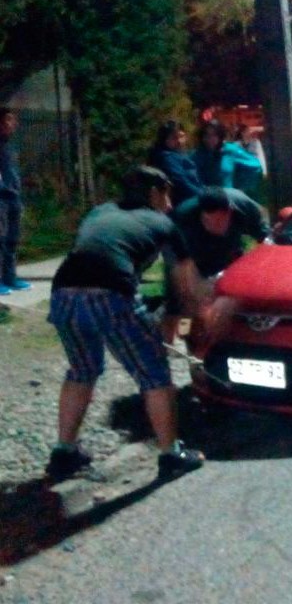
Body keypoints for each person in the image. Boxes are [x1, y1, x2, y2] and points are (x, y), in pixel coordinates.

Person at [45, 166, 212, 483]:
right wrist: (186, 330)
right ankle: (170, 455)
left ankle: (64, 452)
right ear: (154, 193)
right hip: (111, 296)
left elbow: (102, 250)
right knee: (155, 375)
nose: (170, 201)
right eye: (167, 193)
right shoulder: (163, 222)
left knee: (82, 370)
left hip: (63, 294)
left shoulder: (99, 212)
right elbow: (186, 287)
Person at [161, 186, 269, 343]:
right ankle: (185, 340)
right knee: (183, 303)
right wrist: (194, 287)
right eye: (207, 221)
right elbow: (179, 262)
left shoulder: (244, 207)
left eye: (218, 221)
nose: (212, 226)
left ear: (230, 212)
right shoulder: (183, 218)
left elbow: (266, 239)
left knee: (231, 297)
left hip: (228, 253)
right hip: (191, 258)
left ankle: (230, 338)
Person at [0, 107, 31, 294]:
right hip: (1, 198)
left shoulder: (10, 145)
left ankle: (10, 277)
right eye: (9, 120)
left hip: (13, 197)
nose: (14, 124)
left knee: (12, 239)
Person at [192, 119, 264, 192]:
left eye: (214, 135)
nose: (210, 139)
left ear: (220, 136)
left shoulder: (230, 150)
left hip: (228, 198)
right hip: (204, 198)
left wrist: (240, 182)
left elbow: (255, 166)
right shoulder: (196, 156)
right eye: (206, 135)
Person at [147, 120, 203, 208]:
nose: (179, 141)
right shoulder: (166, 157)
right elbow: (181, 182)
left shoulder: (180, 154)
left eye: (181, 136)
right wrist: (203, 195)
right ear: (165, 139)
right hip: (182, 202)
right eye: (174, 138)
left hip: (193, 197)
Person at [232, 124, 267, 200]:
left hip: (253, 172)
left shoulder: (255, 142)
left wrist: (264, 171)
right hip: (241, 174)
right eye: (246, 131)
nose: (248, 133)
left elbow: (260, 155)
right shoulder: (235, 145)